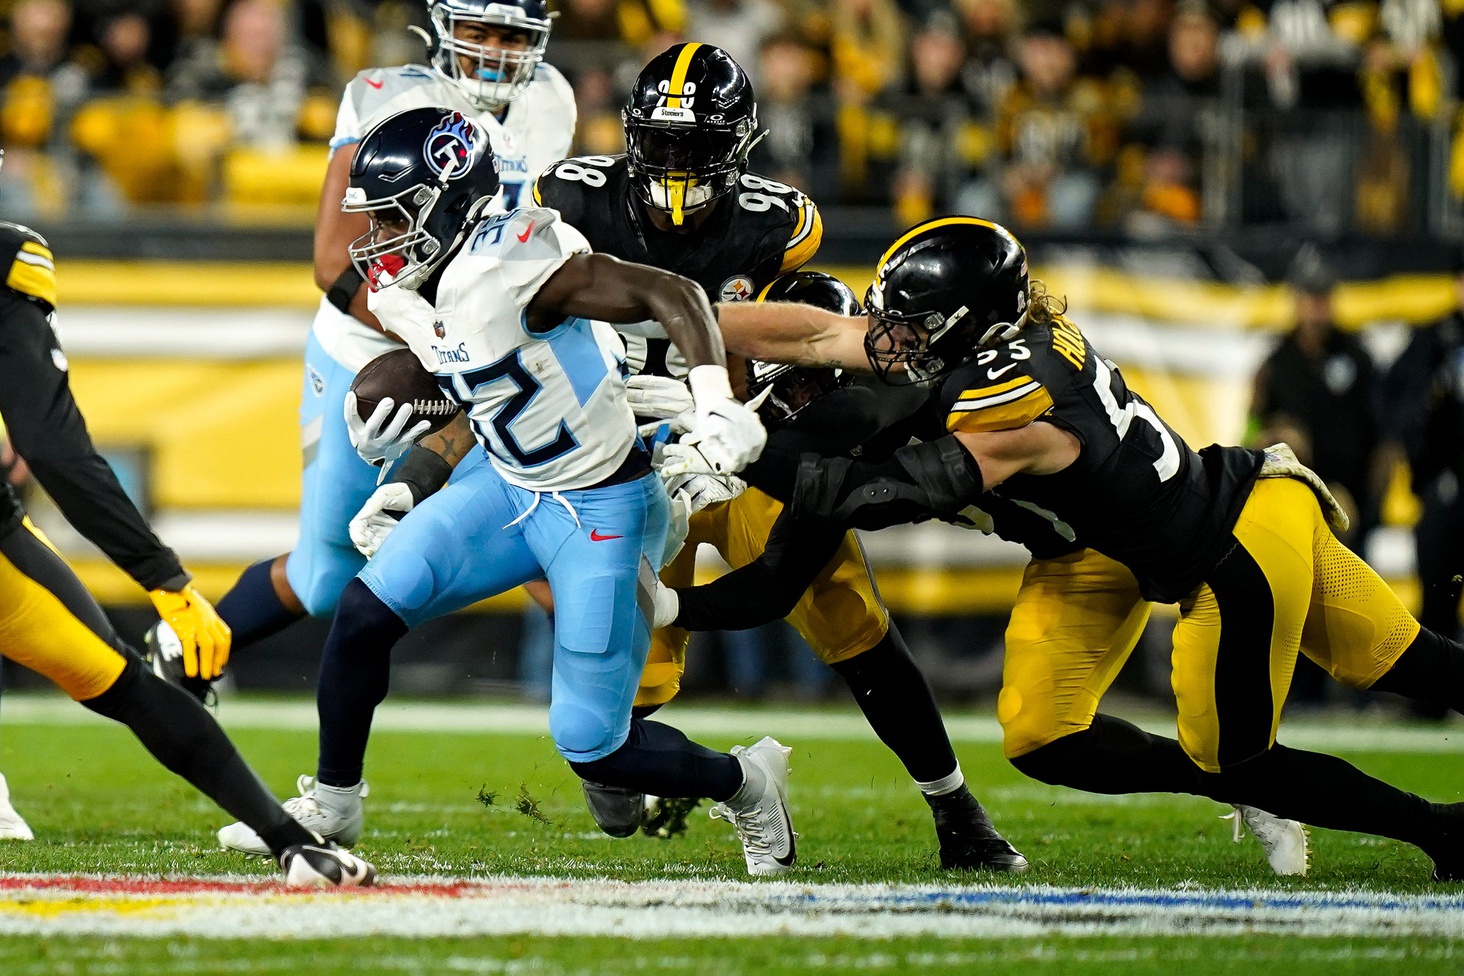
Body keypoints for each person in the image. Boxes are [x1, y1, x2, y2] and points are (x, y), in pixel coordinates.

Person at [706, 216, 1464, 880]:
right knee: (1412, 661)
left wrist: (745, 447)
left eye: (914, 323)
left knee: (1240, 758)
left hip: (1230, 555)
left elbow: (891, 492)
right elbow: (819, 332)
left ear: (967, 324)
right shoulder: (996, 344)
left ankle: (1441, 830)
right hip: (1234, 507)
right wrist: (676, 318)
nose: (890, 339)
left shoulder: (1013, 399)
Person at [217, 107, 796, 878]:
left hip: (601, 505)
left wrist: (716, 400)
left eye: (393, 216)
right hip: (505, 481)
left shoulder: (519, 259)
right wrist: (410, 478)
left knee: (596, 746)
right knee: (362, 612)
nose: (377, 237)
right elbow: (480, 385)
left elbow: (676, 294)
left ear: (448, 203)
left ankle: (747, 782)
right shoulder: (419, 287)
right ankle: (333, 802)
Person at [532, 45, 1025, 871]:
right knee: (621, 710)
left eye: (698, 148)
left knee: (851, 622)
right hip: (621, 453)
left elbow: (812, 329)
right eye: (664, 143)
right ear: (630, 137)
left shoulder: (775, 224)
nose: (679, 166)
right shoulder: (570, 199)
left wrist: (766, 408)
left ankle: (958, 811)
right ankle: (644, 767)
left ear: (740, 145)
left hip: (739, 445)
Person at [169, 0, 578, 697]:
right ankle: (179, 662)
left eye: (512, 34)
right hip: (377, 349)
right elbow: (335, 261)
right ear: (445, 26)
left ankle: (619, 737)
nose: (495, 50)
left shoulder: (551, 99)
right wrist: (445, 336)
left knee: (556, 536)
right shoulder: (389, 95)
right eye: (479, 30)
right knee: (324, 574)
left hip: (492, 353)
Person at [0, 215, 375, 886]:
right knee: (130, 687)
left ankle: (295, 845)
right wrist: (164, 579)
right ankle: (297, 848)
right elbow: (54, 448)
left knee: (122, 681)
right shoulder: (9, 255)